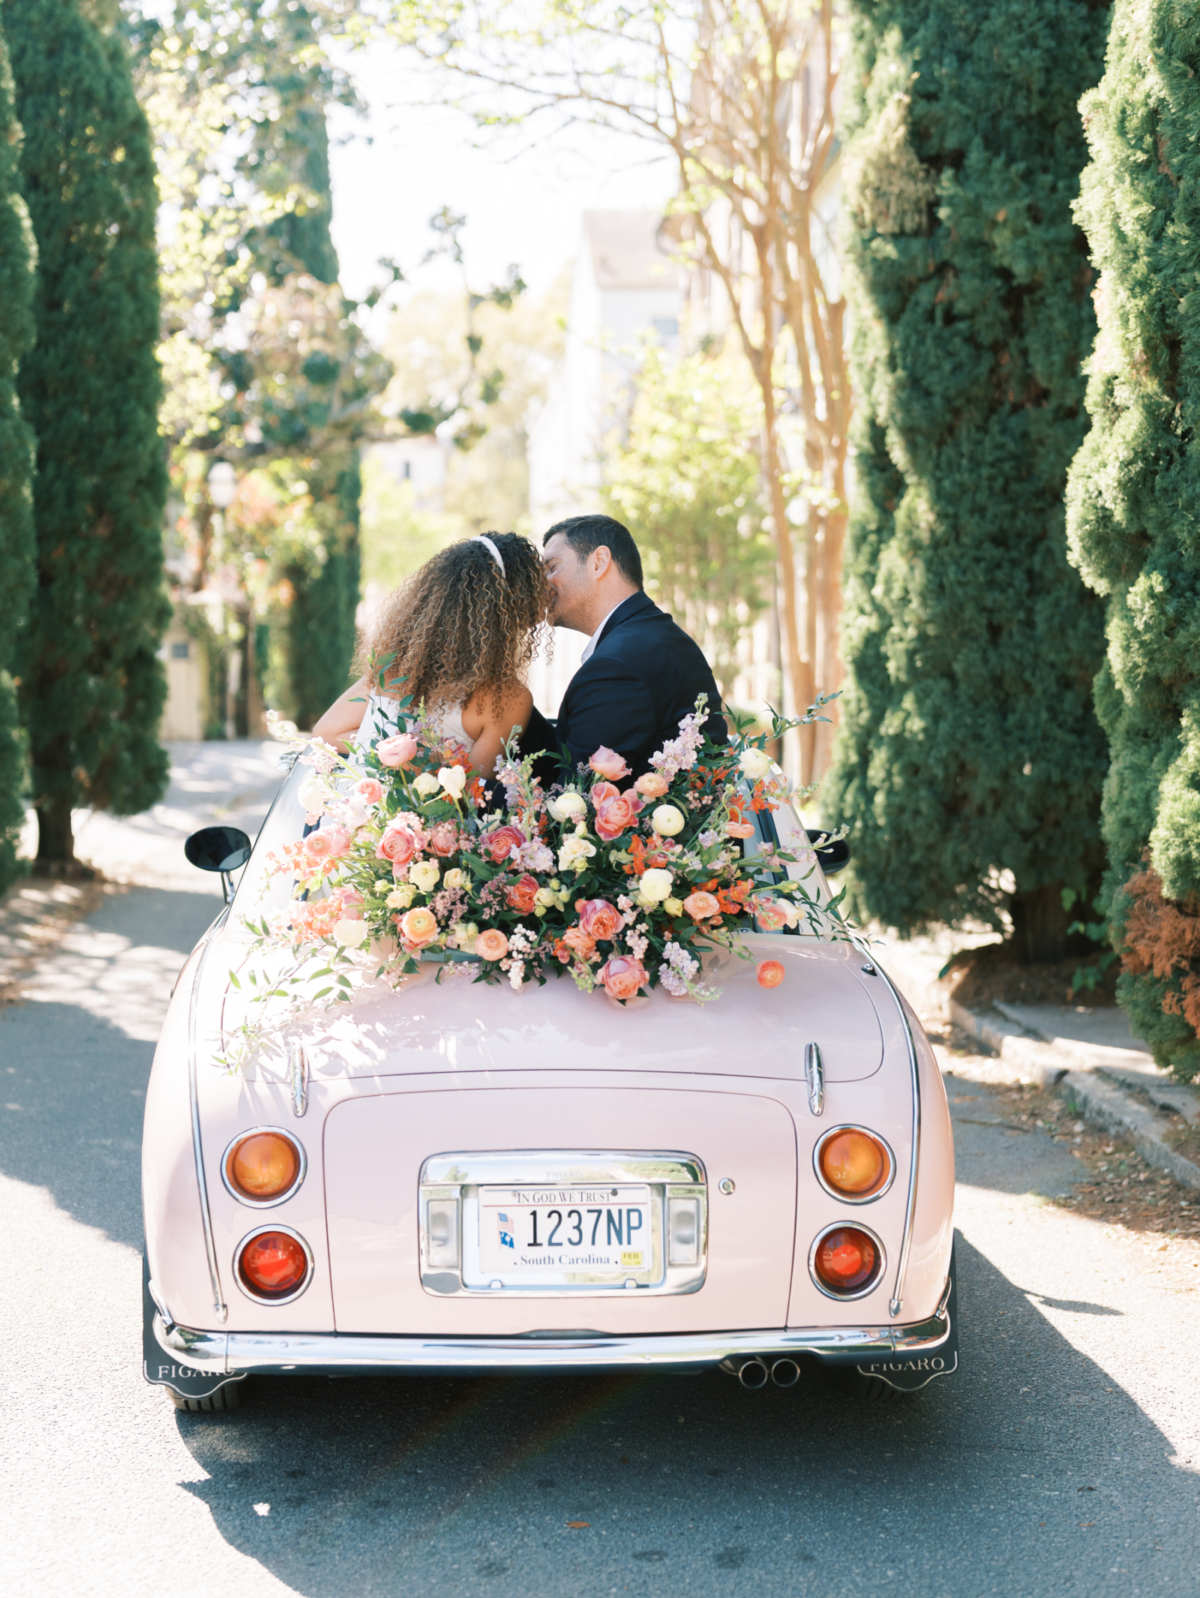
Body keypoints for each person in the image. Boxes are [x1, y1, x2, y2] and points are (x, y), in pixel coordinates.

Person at [313, 532, 550, 779]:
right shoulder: (508, 699)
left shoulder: (397, 668)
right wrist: (420, 758)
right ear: (515, 613)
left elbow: (326, 733)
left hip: (363, 813)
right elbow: (474, 794)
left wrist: (392, 752)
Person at [525, 513, 726, 777]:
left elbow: (575, 797)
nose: (543, 585)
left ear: (599, 562)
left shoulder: (618, 665)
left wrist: (468, 789)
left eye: (552, 567)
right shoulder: (652, 635)